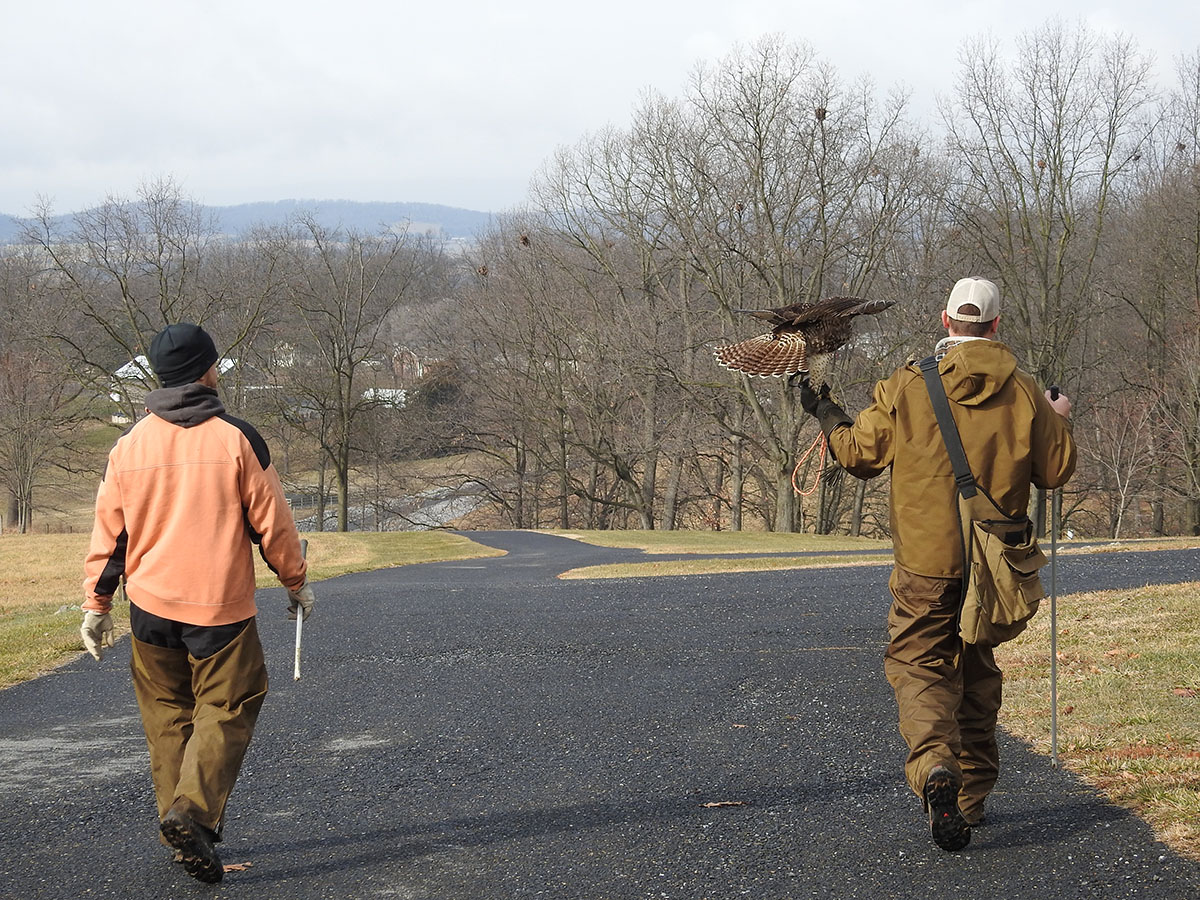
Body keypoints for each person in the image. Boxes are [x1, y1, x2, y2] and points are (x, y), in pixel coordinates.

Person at [799, 277, 1075, 851]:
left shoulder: (907, 385)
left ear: (946, 322)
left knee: (920, 666)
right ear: (995, 327)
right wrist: (1060, 418)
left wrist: (825, 411)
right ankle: (970, 801)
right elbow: (1056, 471)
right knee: (977, 670)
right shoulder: (1024, 391)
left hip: (925, 564)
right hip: (993, 564)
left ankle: (933, 769)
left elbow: (858, 455)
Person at [81, 323, 315, 883]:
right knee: (229, 704)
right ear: (208, 372)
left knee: (167, 718)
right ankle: (192, 815)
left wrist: (97, 602)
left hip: (150, 609)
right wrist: (295, 581)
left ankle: (183, 829)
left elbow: (110, 533)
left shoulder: (129, 444)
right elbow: (272, 524)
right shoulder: (237, 438)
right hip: (219, 611)